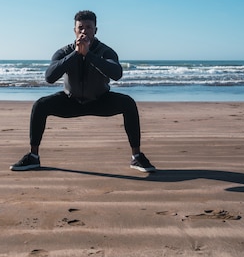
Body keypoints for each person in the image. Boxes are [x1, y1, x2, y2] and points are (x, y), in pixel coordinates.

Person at [10, 10, 156, 172]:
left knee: (128, 103)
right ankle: (33, 156)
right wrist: (76, 54)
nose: (84, 31)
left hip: (100, 100)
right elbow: (49, 77)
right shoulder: (64, 52)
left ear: (95, 30)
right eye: (80, 27)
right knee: (40, 105)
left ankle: (136, 157)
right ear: (74, 30)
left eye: (89, 27)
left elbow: (117, 74)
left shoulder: (105, 51)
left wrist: (89, 55)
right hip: (70, 101)